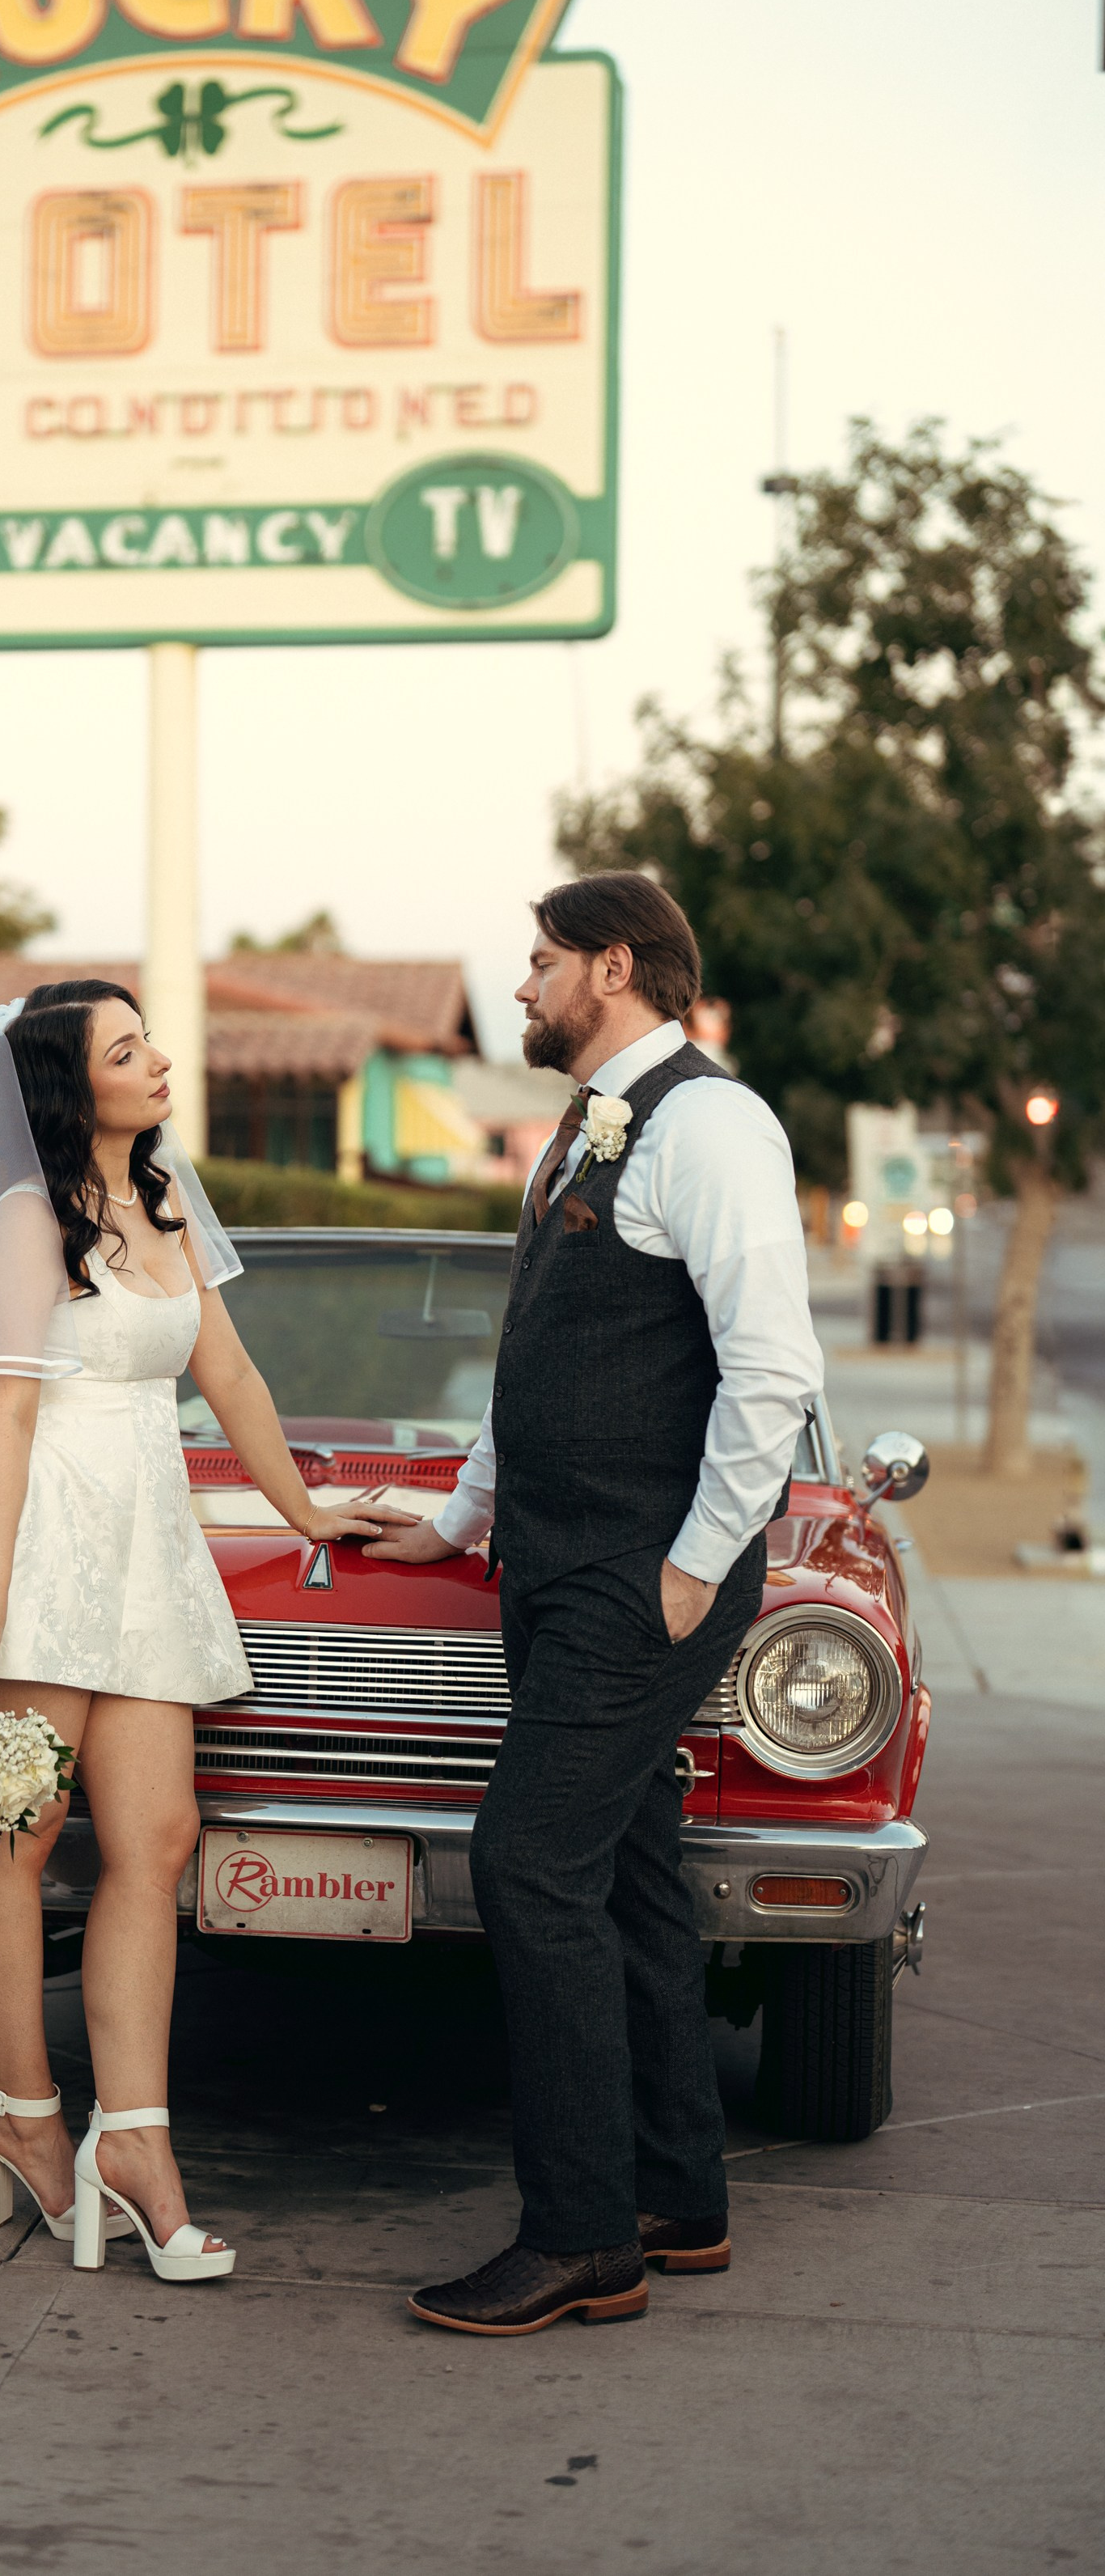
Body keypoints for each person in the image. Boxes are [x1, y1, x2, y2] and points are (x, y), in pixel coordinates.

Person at [0, 980, 389, 2286]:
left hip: (150, 1551)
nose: (157, 1061)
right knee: (16, 1837)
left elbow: (234, 1379)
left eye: (147, 1038)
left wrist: (310, 1508)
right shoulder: (24, 1221)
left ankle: (136, 2143)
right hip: (45, 1550)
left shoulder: (163, 1200)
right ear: (66, 1083)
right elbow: (6, 1420)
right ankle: (28, 2118)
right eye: (125, 1049)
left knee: (157, 1844)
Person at [366, 874, 823, 2336]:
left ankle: (581, 2239)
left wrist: (691, 1566)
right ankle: (679, 2199)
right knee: (623, 1869)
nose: (522, 987)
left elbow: (773, 1372)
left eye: (542, 963)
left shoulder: (711, 1122)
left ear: (615, 967)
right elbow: (536, 1356)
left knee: (527, 1864)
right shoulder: (579, 1128)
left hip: (642, 1570)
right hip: (558, 1560)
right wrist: (457, 1520)